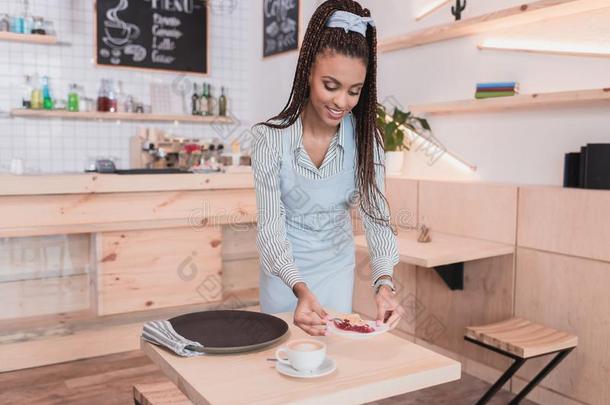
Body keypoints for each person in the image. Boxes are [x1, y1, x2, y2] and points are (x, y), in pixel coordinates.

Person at [251, 0, 404, 337]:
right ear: (308, 72)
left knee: (333, 361)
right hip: (284, 276)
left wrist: (384, 282)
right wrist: (300, 289)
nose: (341, 102)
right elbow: (271, 231)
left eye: (354, 91)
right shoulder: (270, 138)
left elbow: (376, 217)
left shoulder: (367, 141)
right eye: (330, 86)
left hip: (336, 269)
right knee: (285, 360)